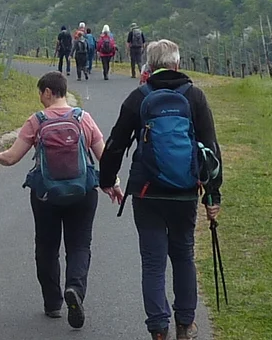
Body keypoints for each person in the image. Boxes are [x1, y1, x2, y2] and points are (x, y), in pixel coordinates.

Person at [101, 41, 223, 340]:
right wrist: (212, 195)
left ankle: (158, 328)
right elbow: (211, 149)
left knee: (153, 261)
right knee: (183, 255)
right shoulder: (194, 97)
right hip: (184, 192)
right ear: (177, 65)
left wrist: (107, 179)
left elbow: (116, 144)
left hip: (147, 191)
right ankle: (186, 324)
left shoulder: (139, 97)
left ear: (149, 67)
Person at [0, 72, 106, 329]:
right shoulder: (84, 118)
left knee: (46, 247)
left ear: (48, 92)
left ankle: (52, 303)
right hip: (83, 192)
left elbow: (12, 157)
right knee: (80, 245)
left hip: (46, 195)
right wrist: (112, 184)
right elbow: (104, 156)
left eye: (41, 93)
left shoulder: (36, 121)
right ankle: (75, 290)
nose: (40, 99)